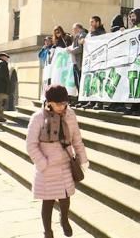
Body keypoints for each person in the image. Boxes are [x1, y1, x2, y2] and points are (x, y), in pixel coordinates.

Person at [26, 85, 88, 238]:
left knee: (65, 198)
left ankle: (64, 220)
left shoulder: (70, 115)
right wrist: (43, 163)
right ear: (49, 102)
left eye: (64, 103)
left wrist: (83, 159)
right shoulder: (38, 118)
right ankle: (47, 231)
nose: (62, 107)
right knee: (47, 202)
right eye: (58, 103)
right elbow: (30, 145)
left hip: (66, 165)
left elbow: (77, 140)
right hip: (47, 168)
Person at [82, 16, 107, 110]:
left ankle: (98, 102)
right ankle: (91, 101)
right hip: (91, 62)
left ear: (98, 22)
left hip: (99, 61)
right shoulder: (90, 33)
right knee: (91, 81)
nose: (91, 24)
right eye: (90, 22)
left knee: (98, 81)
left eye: (92, 22)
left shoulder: (101, 32)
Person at [67, 23, 87, 106]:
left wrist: (71, 51)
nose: (73, 30)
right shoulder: (77, 36)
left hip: (80, 62)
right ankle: (80, 98)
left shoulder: (82, 35)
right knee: (77, 82)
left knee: (80, 81)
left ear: (78, 28)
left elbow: (80, 48)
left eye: (74, 29)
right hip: (75, 62)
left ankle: (82, 100)